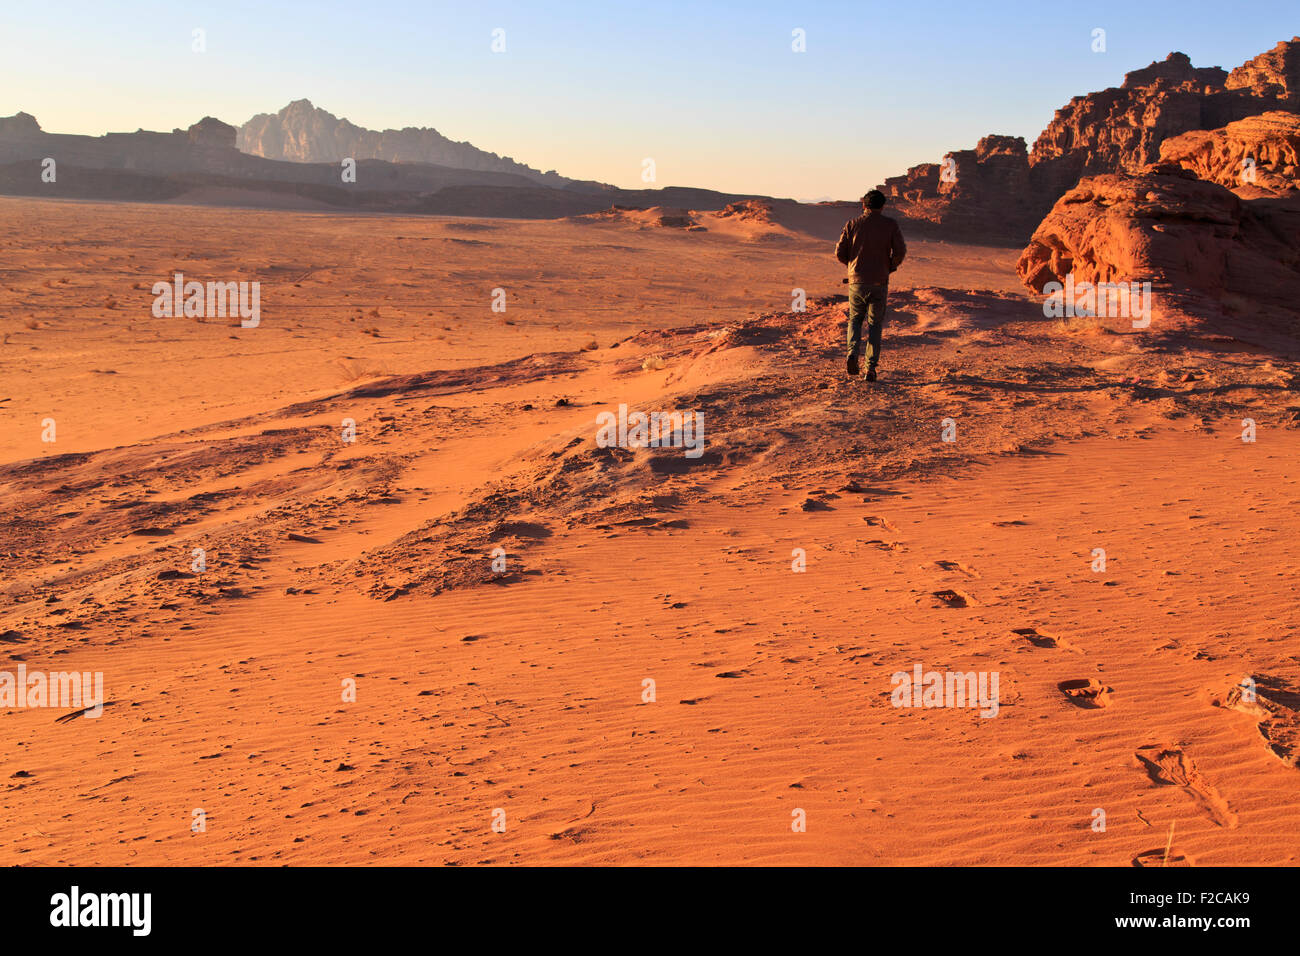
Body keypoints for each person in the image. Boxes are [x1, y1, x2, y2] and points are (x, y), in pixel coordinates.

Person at [834, 189, 906, 381]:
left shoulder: (852, 224)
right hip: (879, 281)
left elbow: (840, 252)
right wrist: (889, 266)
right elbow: (900, 251)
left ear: (863, 205)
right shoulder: (890, 225)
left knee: (855, 320)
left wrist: (853, 267)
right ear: (882, 207)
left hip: (857, 282)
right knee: (875, 325)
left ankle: (851, 354)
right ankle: (870, 369)